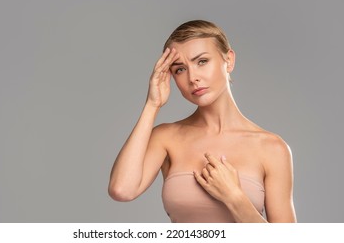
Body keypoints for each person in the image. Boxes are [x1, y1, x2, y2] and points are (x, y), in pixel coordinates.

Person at [108, 20, 296, 223]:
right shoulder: (166, 137)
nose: (192, 77)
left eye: (202, 61)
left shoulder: (272, 148)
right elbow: (122, 190)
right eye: (180, 69)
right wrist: (152, 105)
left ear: (229, 60)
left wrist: (234, 198)